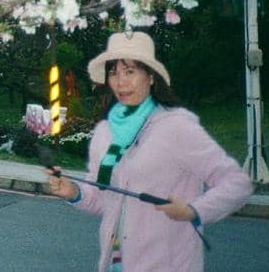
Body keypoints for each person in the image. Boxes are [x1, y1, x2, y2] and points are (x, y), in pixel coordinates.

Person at [46, 30, 253, 272]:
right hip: (115, 264)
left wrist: (194, 210)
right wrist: (74, 191)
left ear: (151, 76)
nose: (121, 82)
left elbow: (238, 183)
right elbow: (104, 198)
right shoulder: (105, 132)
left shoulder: (177, 126)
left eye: (130, 72)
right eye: (114, 73)